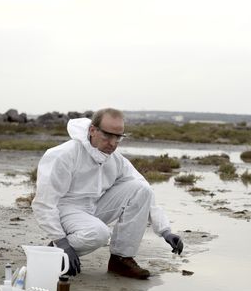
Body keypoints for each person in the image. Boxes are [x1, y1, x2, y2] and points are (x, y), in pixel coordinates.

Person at [32, 108, 183, 279]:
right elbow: (43, 204)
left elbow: (143, 189)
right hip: (65, 210)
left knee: (141, 189)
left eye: (118, 137)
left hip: (92, 209)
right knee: (100, 233)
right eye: (107, 135)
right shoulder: (63, 155)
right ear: (92, 130)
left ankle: (121, 259)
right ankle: (52, 254)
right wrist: (61, 241)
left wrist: (165, 230)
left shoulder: (115, 159)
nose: (113, 143)